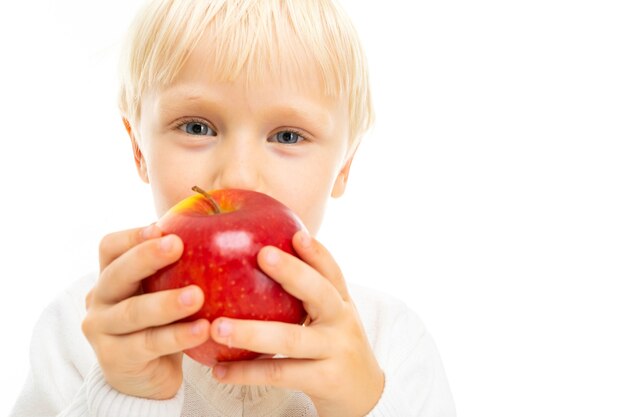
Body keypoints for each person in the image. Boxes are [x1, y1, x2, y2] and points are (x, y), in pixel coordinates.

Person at [11, 0, 455, 416]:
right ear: (137, 149)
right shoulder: (81, 332)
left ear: (344, 166)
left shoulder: (391, 344)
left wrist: (362, 403)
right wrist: (125, 394)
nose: (239, 177)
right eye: (197, 126)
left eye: (287, 136)